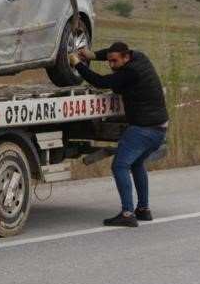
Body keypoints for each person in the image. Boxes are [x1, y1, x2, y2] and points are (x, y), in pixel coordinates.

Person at [69, 42, 168, 227]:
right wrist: (93, 55)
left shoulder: (130, 73)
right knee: (137, 163)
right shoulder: (140, 57)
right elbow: (110, 52)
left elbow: (101, 82)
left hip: (144, 129)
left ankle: (127, 213)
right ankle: (143, 210)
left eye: (115, 61)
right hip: (160, 127)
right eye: (109, 61)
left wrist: (78, 63)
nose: (112, 65)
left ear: (126, 57)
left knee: (120, 166)